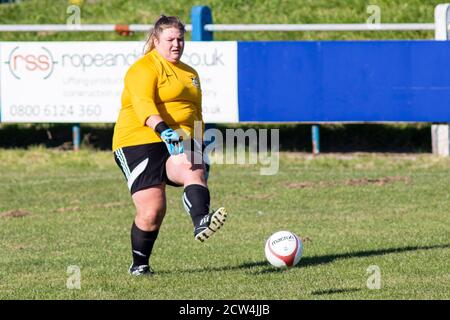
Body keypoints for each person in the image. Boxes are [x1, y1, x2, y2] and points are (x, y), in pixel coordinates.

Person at [112, 15, 228, 276]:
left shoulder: (190, 73)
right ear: (156, 40)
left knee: (192, 165)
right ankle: (139, 265)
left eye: (180, 39)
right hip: (137, 141)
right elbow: (143, 103)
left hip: (176, 140)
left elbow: (196, 113)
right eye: (170, 39)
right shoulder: (143, 68)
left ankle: (201, 221)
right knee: (152, 210)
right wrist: (162, 129)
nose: (176, 44)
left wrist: (199, 144)